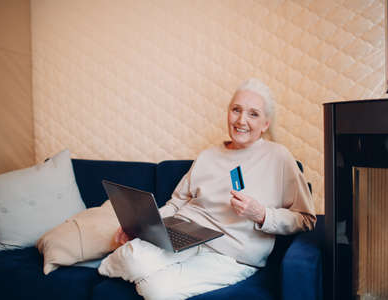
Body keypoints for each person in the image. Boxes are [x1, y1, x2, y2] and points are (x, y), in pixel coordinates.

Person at [98, 78, 316, 300]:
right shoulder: (208, 156)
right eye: (236, 110)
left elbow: (306, 219)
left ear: (266, 124)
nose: (241, 120)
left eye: (253, 114)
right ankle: (124, 263)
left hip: (230, 255)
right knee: (130, 259)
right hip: (184, 233)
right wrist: (143, 226)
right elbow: (177, 202)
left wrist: (262, 215)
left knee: (157, 291)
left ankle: (143, 271)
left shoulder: (279, 158)